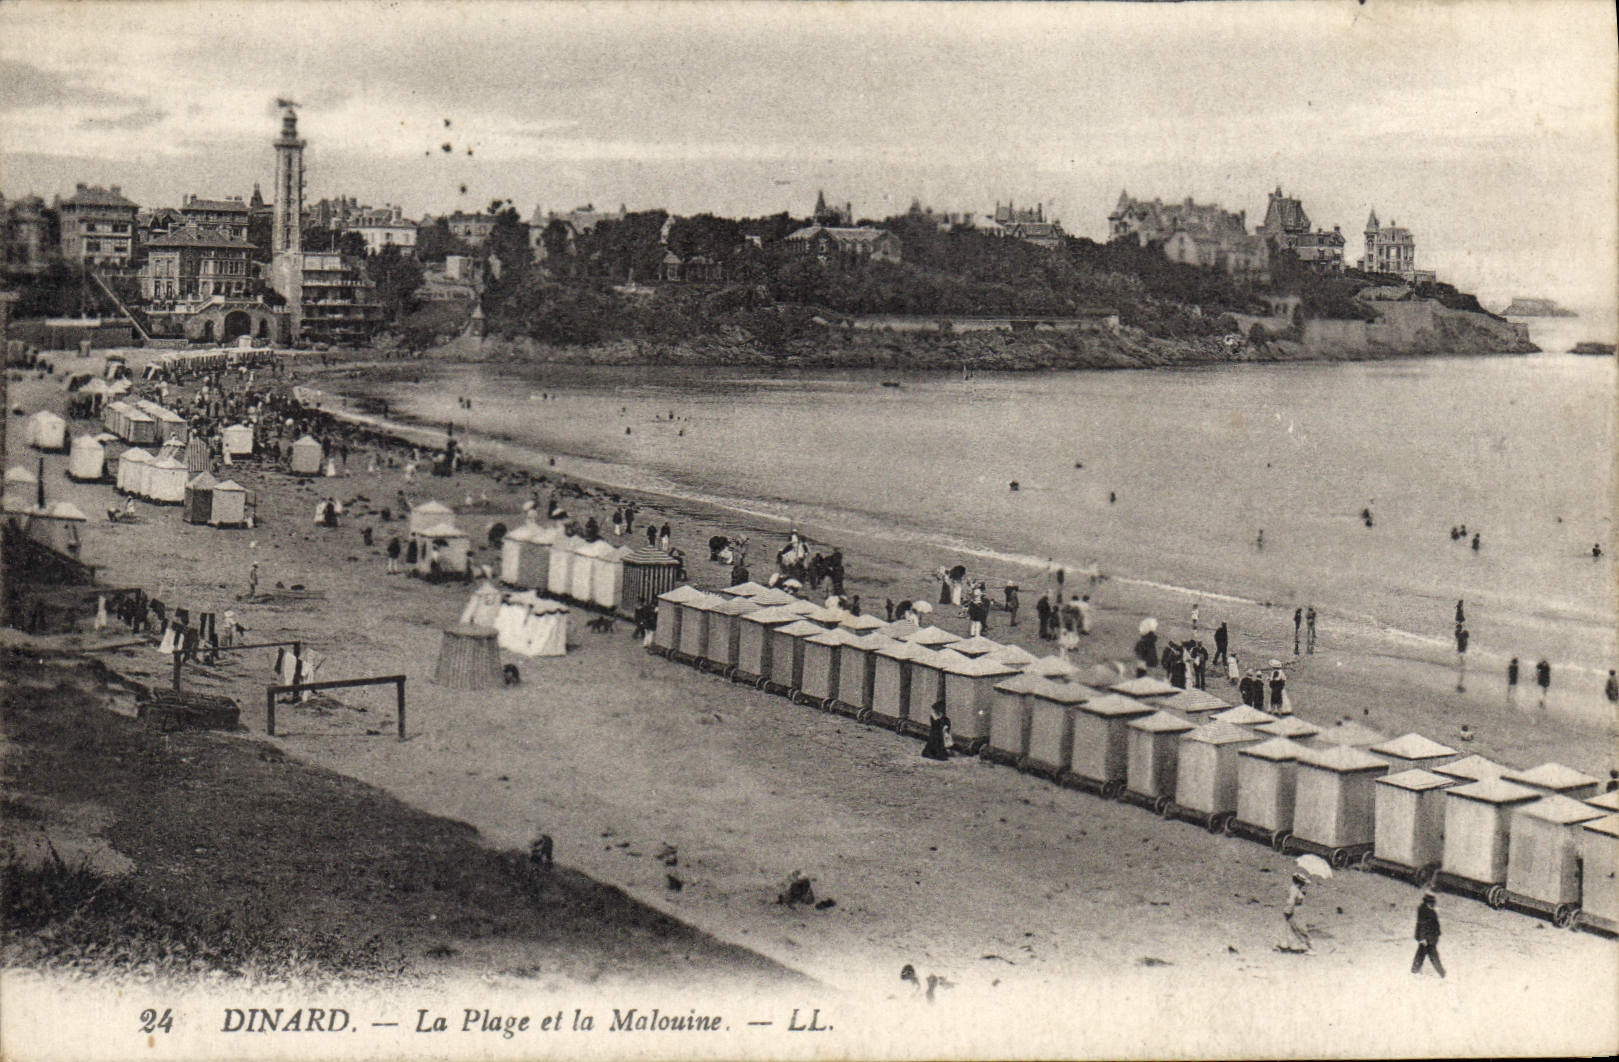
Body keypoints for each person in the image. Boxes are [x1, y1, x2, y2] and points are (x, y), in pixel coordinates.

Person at [1411, 893, 1445, 978]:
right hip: (1427, 939)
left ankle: (1415, 970)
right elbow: (1422, 925)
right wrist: (1422, 938)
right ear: (1427, 902)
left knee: (1421, 954)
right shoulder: (1424, 911)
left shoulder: (1428, 910)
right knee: (1433, 956)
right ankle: (1442, 973)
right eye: (1432, 902)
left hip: (1430, 938)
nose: (1433, 904)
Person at [1280, 872, 1312, 953]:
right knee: (1296, 928)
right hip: (1294, 911)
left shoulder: (1297, 890)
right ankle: (1296, 946)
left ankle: (1291, 945)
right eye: (1302, 883)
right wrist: (1288, 911)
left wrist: (1302, 894)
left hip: (1298, 912)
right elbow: (1291, 901)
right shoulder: (1294, 889)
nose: (1303, 885)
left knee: (1295, 928)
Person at [1455, 626, 1469, 693]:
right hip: (1461, 651)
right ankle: (1461, 667)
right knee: (1462, 661)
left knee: (1462, 661)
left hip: (1460, 651)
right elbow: (1463, 646)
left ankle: (1461, 667)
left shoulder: (1461, 638)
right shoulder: (1462, 639)